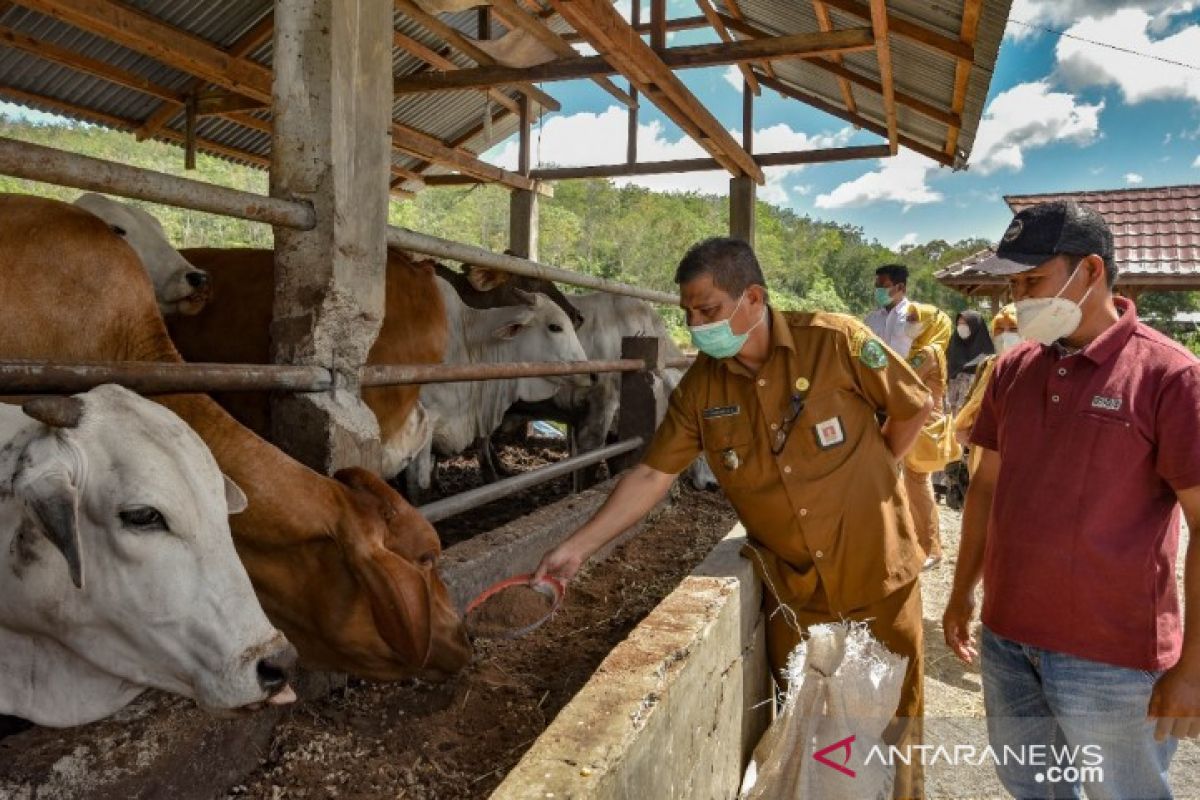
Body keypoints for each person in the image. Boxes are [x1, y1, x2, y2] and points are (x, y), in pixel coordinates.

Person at [535, 237, 933, 799]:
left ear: (752, 297)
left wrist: (875, 470)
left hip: (878, 577)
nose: (698, 326)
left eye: (709, 311)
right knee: (810, 737)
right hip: (793, 597)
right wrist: (578, 547)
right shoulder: (701, 387)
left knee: (894, 729)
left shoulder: (835, 342)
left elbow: (913, 406)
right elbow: (652, 475)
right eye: (689, 315)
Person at [942, 201, 1200, 800]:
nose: (1018, 298)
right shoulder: (1014, 371)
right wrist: (962, 592)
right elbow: (984, 487)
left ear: (1090, 271)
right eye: (1014, 284)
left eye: (1033, 281)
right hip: (1009, 644)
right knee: (1033, 788)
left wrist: (1192, 667)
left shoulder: (1169, 377)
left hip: (1113, 660)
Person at [901, 301, 954, 570]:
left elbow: (900, 376)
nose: (909, 322)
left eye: (914, 318)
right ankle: (922, 543)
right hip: (920, 423)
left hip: (921, 426)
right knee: (915, 484)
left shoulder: (927, 353)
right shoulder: (926, 349)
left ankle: (931, 547)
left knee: (918, 484)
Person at [953, 304, 1018, 476]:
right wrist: (962, 426)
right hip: (982, 446)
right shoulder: (988, 365)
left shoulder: (1036, 366)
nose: (1005, 335)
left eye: (1013, 329)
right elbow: (971, 399)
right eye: (999, 329)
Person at [946, 309, 995, 414]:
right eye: (959, 324)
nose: (961, 327)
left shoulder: (987, 357)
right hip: (951, 412)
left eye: (965, 324)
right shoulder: (954, 343)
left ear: (975, 327)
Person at [866, 263, 916, 356]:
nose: (878, 290)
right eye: (877, 286)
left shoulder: (916, 316)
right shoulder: (871, 319)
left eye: (882, 286)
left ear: (900, 287)